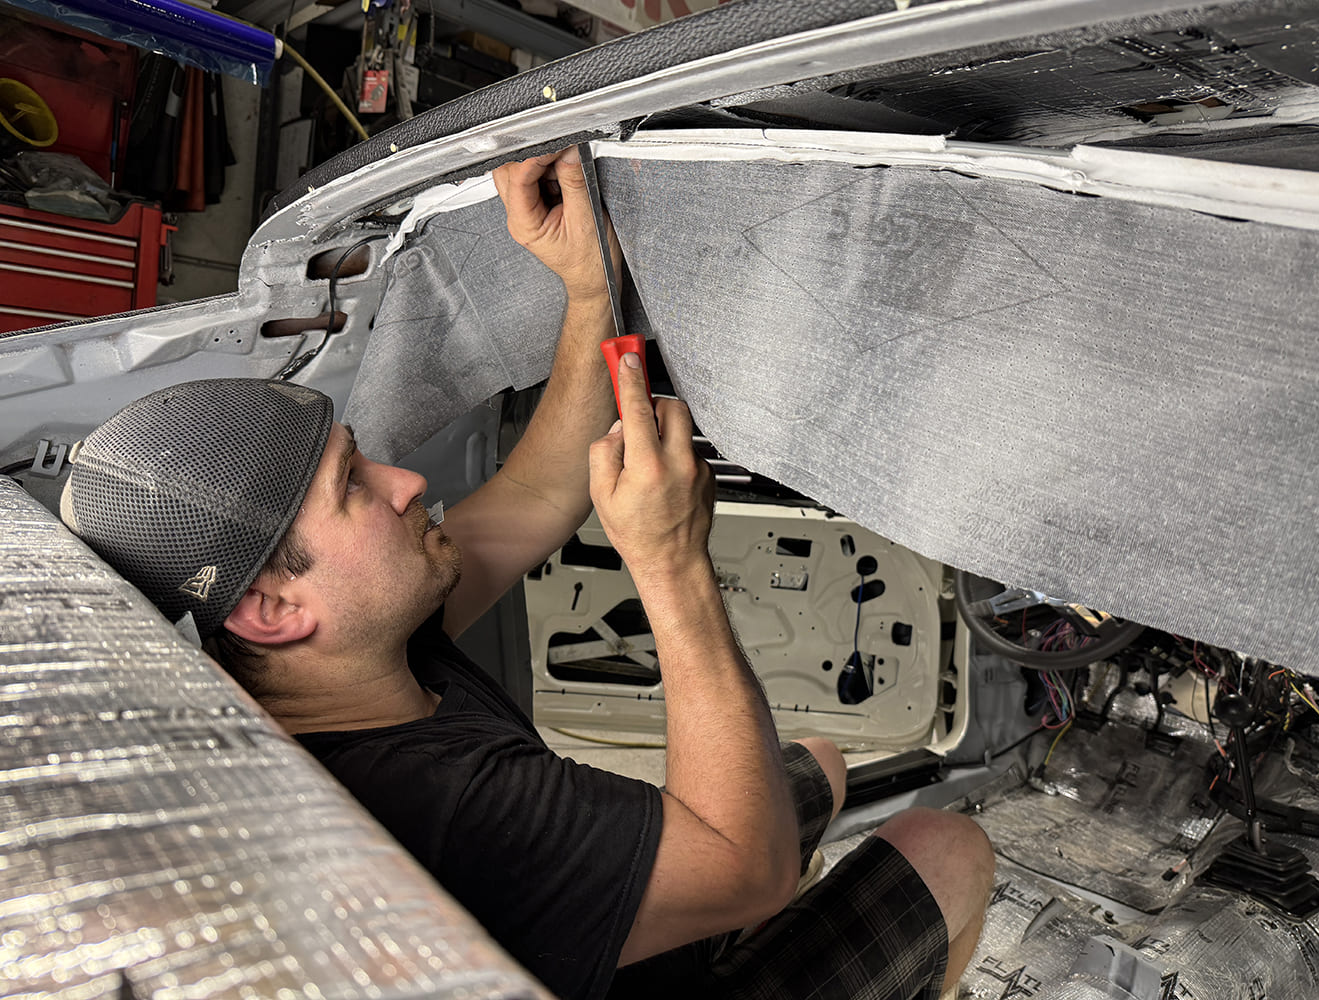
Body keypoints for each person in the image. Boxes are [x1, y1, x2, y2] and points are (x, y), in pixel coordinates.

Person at [59, 147, 994, 1000]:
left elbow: (539, 488)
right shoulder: (443, 809)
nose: (407, 482)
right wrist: (668, 561)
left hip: (563, 937)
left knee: (819, 765)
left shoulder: (336, 660)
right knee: (942, 849)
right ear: (273, 607)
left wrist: (588, 290)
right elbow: (747, 868)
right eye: (354, 487)